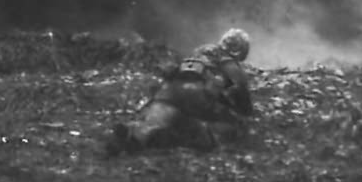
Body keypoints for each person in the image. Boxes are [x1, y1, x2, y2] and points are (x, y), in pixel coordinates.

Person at [106, 28, 254, 155]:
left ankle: (135, 135)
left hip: (170, 90)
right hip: (198, 94)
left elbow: (172, 71)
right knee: (233, 127)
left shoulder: (199, 52)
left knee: (155, 122)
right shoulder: (225, 58)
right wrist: (246, 111)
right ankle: (197, 137)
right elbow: (240, 85)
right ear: (238, 50)